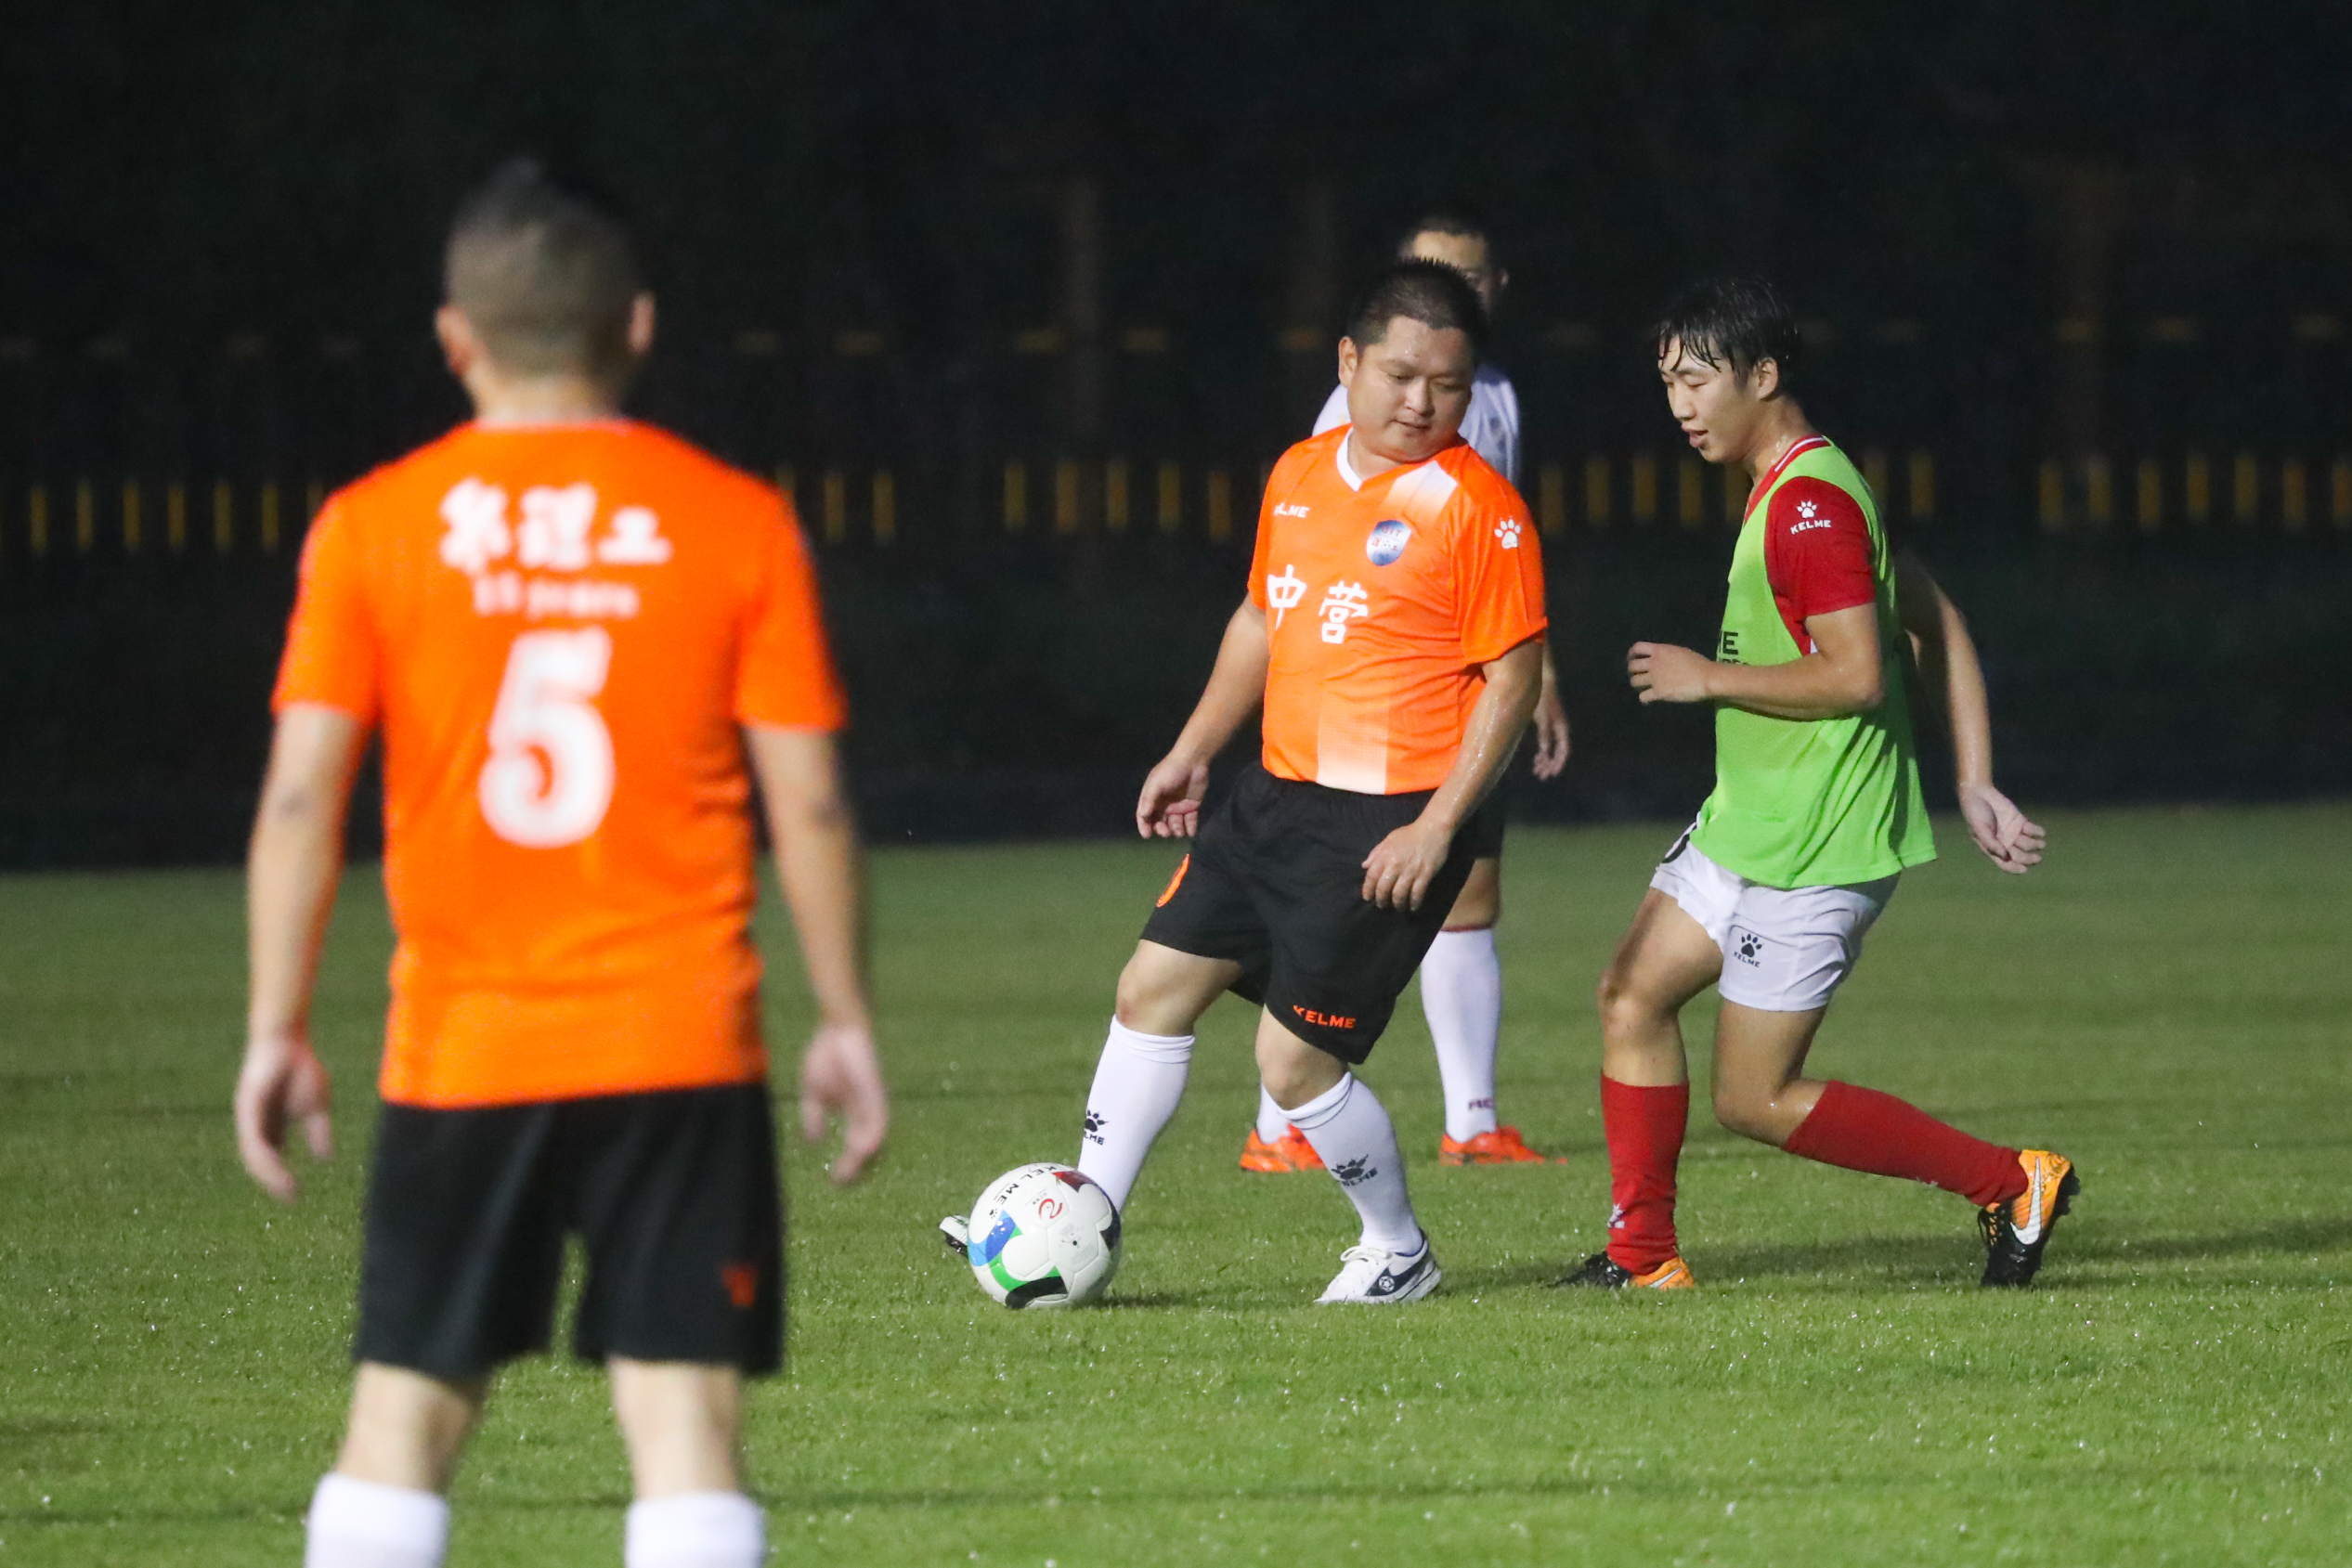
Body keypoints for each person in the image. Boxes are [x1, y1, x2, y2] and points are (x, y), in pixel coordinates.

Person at [234, 160, 888, 1568]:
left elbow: (298, 800)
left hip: (462, 1045)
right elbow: (813, 806)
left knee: (403, 1419)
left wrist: (277, 1028)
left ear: (455, 339)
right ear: (636, 327)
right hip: (678, 1043)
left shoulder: (374, 524)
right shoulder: (731, 520)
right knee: (684, 1426)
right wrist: (844, 1016)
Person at [943, 259, 1545, 1304]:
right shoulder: (1298, 474)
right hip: (1270, 799)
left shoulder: (1478, 510)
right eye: (1401, 376)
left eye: (1447, 386)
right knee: (1149, 991)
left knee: (1291, 1065)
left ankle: (1398, 1249)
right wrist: (1191, 750)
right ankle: (1078, 1223)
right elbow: (1263, 619)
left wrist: (1438, 827)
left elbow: (1514, 678)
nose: (1421, 403)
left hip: (1386, 823)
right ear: (1348, 362)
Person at [1559, 275, 2073, 1292]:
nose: (1679, 405)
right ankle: (1643, 1256)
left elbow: (1856, 675)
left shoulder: (1809, 507)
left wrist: (1707, 677)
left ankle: (2011, 1181)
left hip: (1817, 841)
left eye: (1697, 379)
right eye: (1667, 382)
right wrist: (1973, 778)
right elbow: (1935, 616)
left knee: (1752, 1099)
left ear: (1762, 374)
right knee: (1631, 995)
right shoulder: (1805, 483)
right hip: (1751, 821)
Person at [1242, 202, 1569, 1173]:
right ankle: (1279, 1125)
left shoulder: (1490, 393)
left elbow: (1494, 556)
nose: (1450, 292)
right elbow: (1316, 564)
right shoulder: (1358, 408)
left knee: (1469, 892)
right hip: (1377, 703)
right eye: (1432, 272)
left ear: (1495, 289)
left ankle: (1471, 1120)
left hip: (1468, 685)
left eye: (1466, 278)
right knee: (1332, 907)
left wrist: (1536, 670)